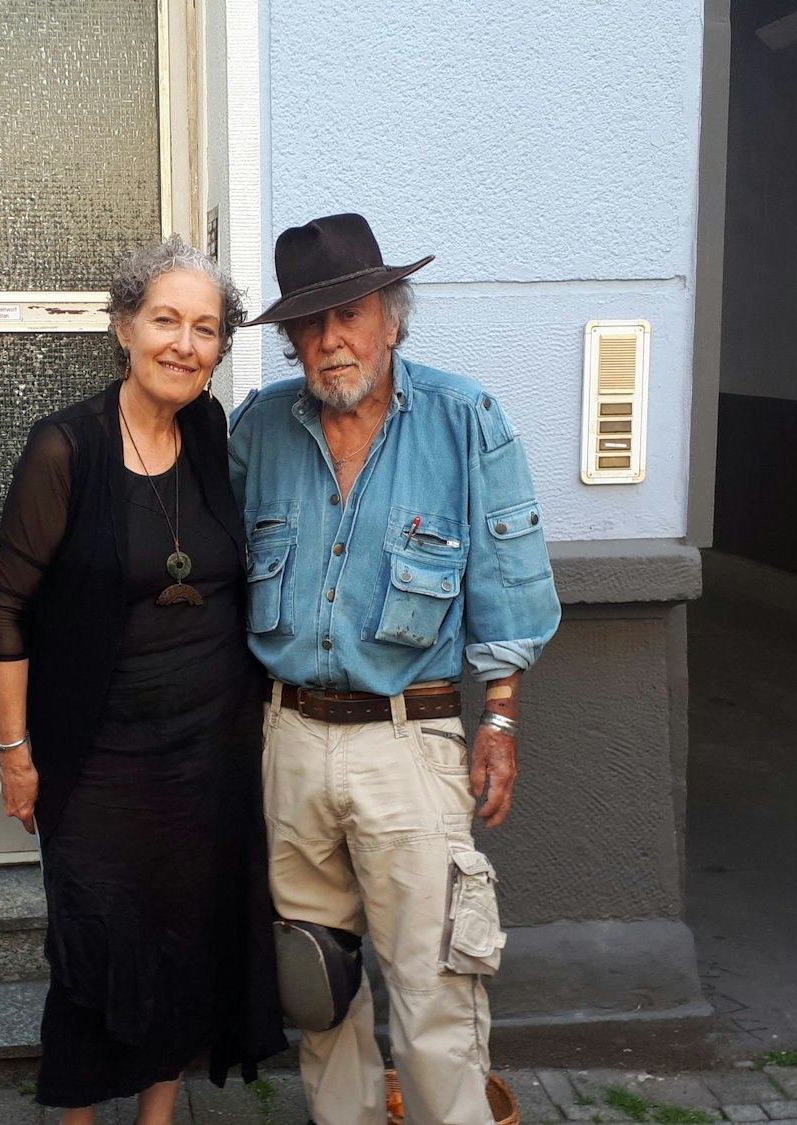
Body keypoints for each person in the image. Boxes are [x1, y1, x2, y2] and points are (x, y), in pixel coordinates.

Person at [228, 213, 562, 1125]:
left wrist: (500, 719)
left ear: (392, 318)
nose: (331, 339)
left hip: (410, 744)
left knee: (434, 996)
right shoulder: (259, 428)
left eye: (350, 314)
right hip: (288, 741)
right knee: (316, 988)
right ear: (292, 339)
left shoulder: (464, 419)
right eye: (310, 323)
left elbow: (511, 587)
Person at [0, 236, 287, 1123]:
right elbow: (7, 609)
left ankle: (156, 1117)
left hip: (211, 751)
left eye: (206, 328)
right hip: (100, 757)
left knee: (187, 937)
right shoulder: (64, 447)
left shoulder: (209, 430)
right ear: (124, 327)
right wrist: (15, 751)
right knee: (95, 943)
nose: (185, 344)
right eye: (165, 320)